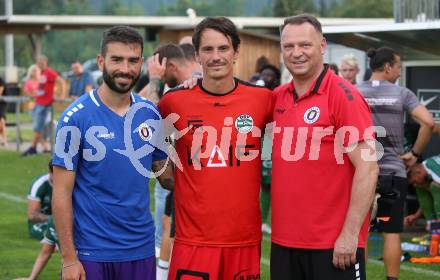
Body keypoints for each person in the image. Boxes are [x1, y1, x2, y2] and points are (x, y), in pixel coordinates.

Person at [52, 25, 174, 280]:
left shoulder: (149, 113)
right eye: (116, 59)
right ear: (101, 61)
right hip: (91, 252)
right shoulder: (75, 118)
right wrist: (68, 259)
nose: (125, 69)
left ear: (141, 63)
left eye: (132, 61)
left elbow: (167, 177)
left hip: (140, 250)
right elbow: (61, 192)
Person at [158, 17, 273, 279]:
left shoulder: (263, 99)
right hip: (192, 240)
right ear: (197, 55)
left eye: (223, 48)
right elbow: (145, 133)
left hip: (243, 240)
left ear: (236, 52)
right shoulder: (173, 102)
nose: (216, 56)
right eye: (208, 50)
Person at [271, 14, 379, 279]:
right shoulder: (277, 97)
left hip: (333, 245)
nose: (297, 53)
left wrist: (350, 234)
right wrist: (194, 82)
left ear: (322, 46)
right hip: (284, 242)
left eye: (305, 45)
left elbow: (368, 167)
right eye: (289, 46)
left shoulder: (344, 96)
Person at [357, 46, 434, 280]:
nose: (400, 71)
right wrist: (415, 154)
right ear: (388, 67)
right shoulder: (402, 93)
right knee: (391, 232)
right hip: (393, 171)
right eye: (398, 66)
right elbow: (428, 123)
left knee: (361, 232)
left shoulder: (353, 91)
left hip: (360, 171)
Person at [142, 43, 202, 279]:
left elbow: (151, 119)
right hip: (189, 172)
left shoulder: (187, 91)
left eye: (163, 72)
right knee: (169, 226)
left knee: (176, 231)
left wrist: (155, 80)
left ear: (172, 67)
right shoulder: (199, 82)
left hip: (193, 177)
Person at [22, 55, 66, 156]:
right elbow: (43, 88)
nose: (40, 64)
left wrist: (62, 95)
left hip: (45, 104)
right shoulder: (42, 73)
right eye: (38, 62)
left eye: (41, 62)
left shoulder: (50, 72)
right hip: (38, 102)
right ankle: (36, 147)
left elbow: (62, 82)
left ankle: (33, 148)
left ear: (46, 62)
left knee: (39, 127)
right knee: (38, 127)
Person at [405, 156, 440, 228]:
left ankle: (437, 225)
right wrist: (415, 216)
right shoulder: (427, 169)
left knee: (434, 186)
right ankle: (431, 224)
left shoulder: (432, 167)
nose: (414, 185)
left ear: (418, 172)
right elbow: (432, 200)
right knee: (421, 188)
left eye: (414, 181)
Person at [27, 161, 53, 241]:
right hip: (42, 222)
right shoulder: (39, 185)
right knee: (51, 234)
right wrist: (53, 219)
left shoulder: (70, 183)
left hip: (64, 220)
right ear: (50, 172)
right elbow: (32, 216)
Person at [0, 76, 7, 146]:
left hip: (1, 103)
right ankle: (2, 138)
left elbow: (0, 92)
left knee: (1, 121)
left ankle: (4, 139)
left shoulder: (1, 80)